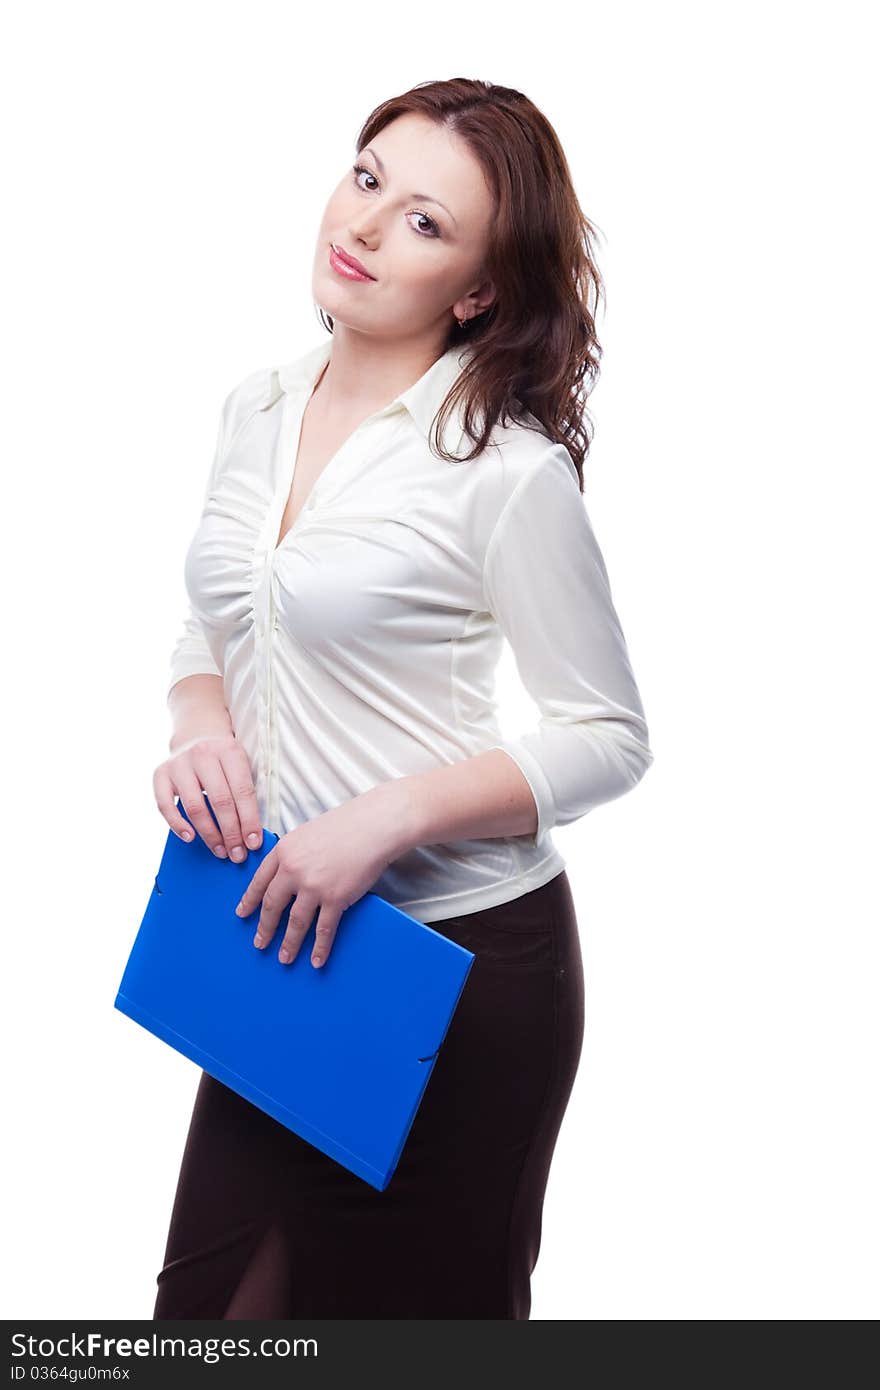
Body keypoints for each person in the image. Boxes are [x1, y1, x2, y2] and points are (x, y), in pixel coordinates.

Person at [150, 77, 653, 1321]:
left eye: (427, 222)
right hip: (276, 937)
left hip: (463, 966)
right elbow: (219, 616)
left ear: (478, 289)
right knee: (200, 1328)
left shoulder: (505, 472)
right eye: (369, 178)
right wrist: (198, 720)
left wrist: (386, 819)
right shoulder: (254, 408)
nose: (367, 227)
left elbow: (610, 736)